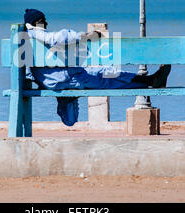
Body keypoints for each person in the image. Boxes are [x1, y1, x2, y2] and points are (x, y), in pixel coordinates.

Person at [23, 8, 171, 126]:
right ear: (36, 23)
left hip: (61, 77)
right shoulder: (34, 33)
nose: (46, 24)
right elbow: (55, 38)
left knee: (106, 72)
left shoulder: (26, 38)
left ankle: (150, 80)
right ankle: (150, 81)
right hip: (65, 79)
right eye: (43, 22)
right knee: (108, 78)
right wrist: (85, 36)